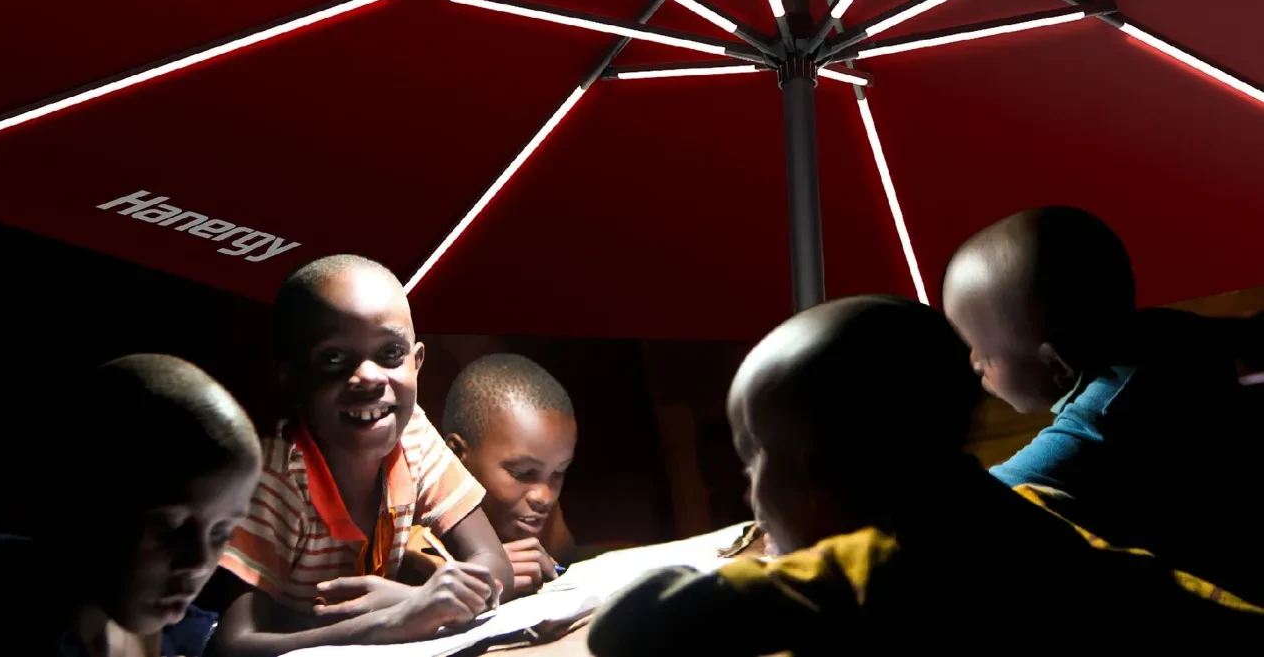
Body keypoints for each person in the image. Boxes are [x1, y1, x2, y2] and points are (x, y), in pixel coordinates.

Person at [586, 296, 1262, 656]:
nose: (748, 490)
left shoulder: (871, 571)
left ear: (819, 479)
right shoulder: (1030, 509)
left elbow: (629, 627)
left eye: (752, 461)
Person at [941, 206, 1264, 602]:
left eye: (985, 353)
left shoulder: (1100, 420)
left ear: (1058, 366)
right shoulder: (1167, 329)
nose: (973, 362)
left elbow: (986, 500)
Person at [211, 255, 512, 656]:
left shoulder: (413, 434)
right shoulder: (277, 480)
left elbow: (495, 564)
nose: (369, 377)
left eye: (390, 353)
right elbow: (233, 644)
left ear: (417, 363)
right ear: (291, 376)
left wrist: (410, 600)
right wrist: (389, 621)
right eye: (334, 359)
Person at [0, 354, 262, 657]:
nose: (200, 561)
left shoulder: (141, 607)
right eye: (170, 526)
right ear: (83, 500)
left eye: (221, 532)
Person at [441, 353, 578, 594]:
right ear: (456, 455)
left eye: (559, 472)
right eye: (523, 473)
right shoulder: (413, 528)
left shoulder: (548, 526)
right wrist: (481, 579)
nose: (545, 496)